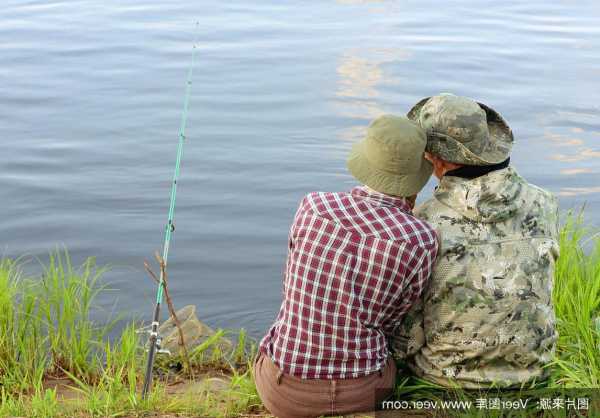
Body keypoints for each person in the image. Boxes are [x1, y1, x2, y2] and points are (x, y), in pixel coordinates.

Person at [255, 115, 439, 417]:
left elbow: (292, 287)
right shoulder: (421, 239)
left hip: (283, 393)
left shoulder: (313, 207)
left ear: (365, 161)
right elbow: (393, 321)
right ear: (416, 176)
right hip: (364, 392)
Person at [393, 94, 559, 388]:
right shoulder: (545, 204)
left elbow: (408, 335)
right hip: (534, 373)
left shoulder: (424, 222)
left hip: (445, 378)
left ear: (438, 160)